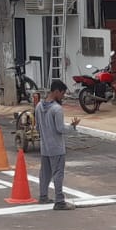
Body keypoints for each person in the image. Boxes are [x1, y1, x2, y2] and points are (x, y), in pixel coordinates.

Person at [36, 79, 81, 211]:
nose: (63, 96)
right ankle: (59, 201)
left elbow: (37, 127)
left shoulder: (39, 106)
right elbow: (60, 129)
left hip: (45, 146)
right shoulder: (57, 109)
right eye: (62, 93)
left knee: (45, 173)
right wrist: (72, 127)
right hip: (56, 147)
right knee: (58, 174)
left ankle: (43, 196)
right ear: (56, 91)